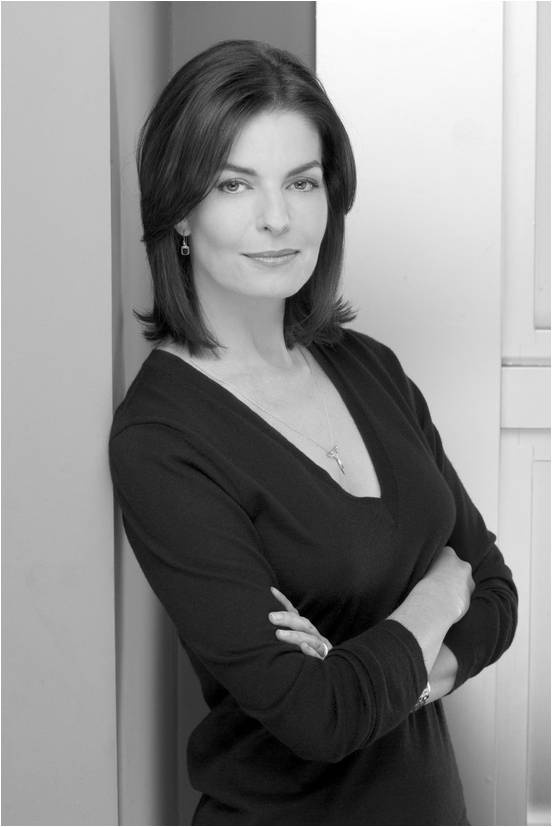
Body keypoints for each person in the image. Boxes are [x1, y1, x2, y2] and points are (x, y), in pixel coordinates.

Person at [109, 39, 518, 826]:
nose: (277, 217)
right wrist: (435, 592)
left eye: (302, 181)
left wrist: (371, 672)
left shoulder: (369, 367)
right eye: (234, 183)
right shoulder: (162, 438)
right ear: (181, 211)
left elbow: (495, 590)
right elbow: (316, 716)